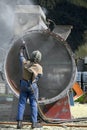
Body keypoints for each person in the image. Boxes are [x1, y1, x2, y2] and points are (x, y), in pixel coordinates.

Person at [16, 44, 43, 129]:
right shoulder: (39, 67)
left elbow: (21, 56)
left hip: (23, 84)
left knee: (21, 103)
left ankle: (19, 123)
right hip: (32, 86)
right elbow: (39, 77)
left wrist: (21, 49)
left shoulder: (25, 63)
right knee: (33, 104)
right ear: (39, 59)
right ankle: (34, 123)